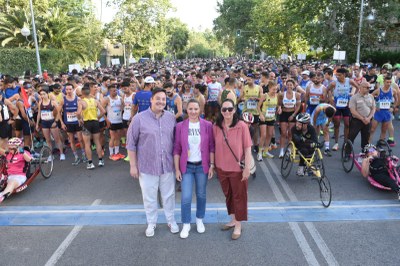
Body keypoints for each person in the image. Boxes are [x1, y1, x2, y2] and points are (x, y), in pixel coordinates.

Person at [126, 88, 179, 237]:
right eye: (158, 98)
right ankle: (151, 222)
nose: (161, 101)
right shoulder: (139, 118)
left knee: (169, 195)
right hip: (147, 166)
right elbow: (131, 144)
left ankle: (170, 220)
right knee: (149, 196)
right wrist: (133, 165)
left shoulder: (171, 118)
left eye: (163, 99)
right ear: (151, 99)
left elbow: (175, 142)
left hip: (167, 165)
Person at [173, 99, 215, 239]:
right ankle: (186, 223)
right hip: (187, 167)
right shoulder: (180, 126)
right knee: (185, 197)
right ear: (186, 109)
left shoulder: (207, 125)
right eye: (190, 109)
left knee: (201, 195)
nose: (193, 112)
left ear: (200, 110)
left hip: (202, 166)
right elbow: (177, 149)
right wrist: (177, 169)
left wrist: (212, 165)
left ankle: (199, 219)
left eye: (196, 109)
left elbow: (211, 147)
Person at [213, 99, 252, 240]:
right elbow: (213, 147)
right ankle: (233, 219)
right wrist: (213, 165)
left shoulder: (242, 126)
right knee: (228, 195)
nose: (227, 112)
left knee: (239, 196)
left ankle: (238, 224)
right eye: (224, 110)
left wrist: (247, 168)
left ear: (234, 110)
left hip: (237, 169)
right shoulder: (217, 126)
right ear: (221, 111)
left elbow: (247, 149)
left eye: (230, 109)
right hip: (221, 168)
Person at [58, 83, 86, 165]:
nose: (68, 91)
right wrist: (62, 123)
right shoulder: (63, 100)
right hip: (68, 123)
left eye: (70, 89)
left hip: (77, 122)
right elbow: (59, 112)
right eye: (67, 89)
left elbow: (82, 110)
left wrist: (81, 118)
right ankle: (76, 157)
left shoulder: (78, 99)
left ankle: (84, 155)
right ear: (65, 90)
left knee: (80, 139)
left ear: (73, 89)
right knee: (72, 141)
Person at [80, 83, 106, 169]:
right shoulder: (95, 101)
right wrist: (98, 118)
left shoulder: (82, 102)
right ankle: (100, 160)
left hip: (86, 123)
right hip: (95, 122)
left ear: (83, 93)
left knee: (87, 144)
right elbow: (103, 111)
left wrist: (80, 119)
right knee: (97, 142)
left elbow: (77, 113)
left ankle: (90, 163)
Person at [36, 88, 65, 161]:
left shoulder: (53, 102)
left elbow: (59, 112)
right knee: (48, 140)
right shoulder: (40, 103)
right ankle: (50, 155)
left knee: (57, 139)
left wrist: (56, 121)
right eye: (41, 94)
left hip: (52, 121)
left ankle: (61, 153)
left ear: (47, 94)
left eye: (44, 94)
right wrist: (37, 124)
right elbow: (39, 113)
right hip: (44, 122)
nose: (42, 96)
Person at [0, 138, 32, 203]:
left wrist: (22, 151)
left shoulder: (24, 153)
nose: (10, 150)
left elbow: (29, 160)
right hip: (8, 175)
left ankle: (2, 195)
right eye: (9, 148)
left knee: (12, 183)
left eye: (12, 148)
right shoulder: (8, 153)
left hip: (19, 176)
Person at [348, 81, 375, 152]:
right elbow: (353, 111)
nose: (369, 89)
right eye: (367, 87)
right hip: (356, 121)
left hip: (368, 120)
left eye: (369, 87)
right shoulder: (354, 97)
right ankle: (347, 152)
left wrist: (368, 118)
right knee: (351, 137)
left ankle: (365, 152)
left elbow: (373, 108)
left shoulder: (371, 96)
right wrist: (363, 118)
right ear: (361, 87)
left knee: (366, 138)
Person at [257, 81, 281, 160]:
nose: (275, 91)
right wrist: (260, 114)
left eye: (276, 89)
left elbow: (278, 106)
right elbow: (258, 106)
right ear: (269, 88)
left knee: (269, 135)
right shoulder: (265, 95)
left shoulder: (277, 96)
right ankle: (259, 152)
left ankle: (265, 151)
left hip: (271, 118)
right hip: (264, 118)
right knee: (263, 135)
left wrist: (279, 109)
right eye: (273, 89)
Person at [278, 79, 301, 158]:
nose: (289, 86)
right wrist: (279, 108)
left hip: (292, 114)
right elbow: (279, 104)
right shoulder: (281, 94)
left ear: (294, 86)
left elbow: (298, 106)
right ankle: (281, 151)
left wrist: (294, 115)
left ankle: (289, 150)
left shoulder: (297, 95)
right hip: (284, 114)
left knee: (291, 133)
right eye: (288, 85)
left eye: (291, 85)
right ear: (285, 86)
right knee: (283, 133)